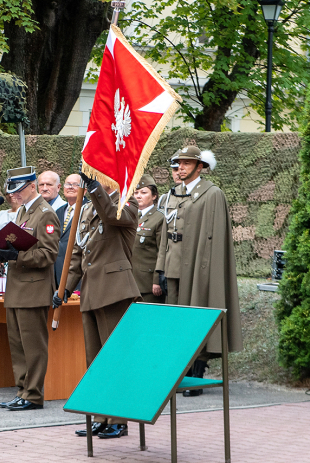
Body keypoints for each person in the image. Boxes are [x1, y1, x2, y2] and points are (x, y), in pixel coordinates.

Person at [56, 175, 141, 439]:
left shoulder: (126, 203)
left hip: (115, 291)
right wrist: (65, 289)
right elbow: (80, 252)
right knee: (95, 360)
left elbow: (112, 217)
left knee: (115, 357)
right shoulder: (88, 207)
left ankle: (119, 419)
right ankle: (102, 416)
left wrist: (94, 189)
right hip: (92, 292)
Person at [165, 145, 243, 393]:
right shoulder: (175, 193)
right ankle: (181, 371)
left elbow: (214, 237)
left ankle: (197, 372)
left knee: (198, 312)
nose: (181, 167)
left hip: (200, 267)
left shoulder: (212, 194)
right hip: (176, 266)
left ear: (201, 167)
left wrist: (205, 270)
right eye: (179, 163)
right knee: (177, 320)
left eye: (187, 163)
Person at [0, 166, 60, 411]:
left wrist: (16, 257)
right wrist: (1, 250)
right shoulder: (24, 212)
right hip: (17, 287)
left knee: (33, 346)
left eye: (19, 189)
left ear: (32, 186)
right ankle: (22, 390)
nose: (14, 195)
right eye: (12, 190)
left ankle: (33, 394)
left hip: (33, 289)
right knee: (18, 344)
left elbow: (49, 254)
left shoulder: (45, 213)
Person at [133, 174, 167, 303]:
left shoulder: (159, 218)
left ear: (154, 196)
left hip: (147, 283)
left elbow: (161, 251)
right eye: (136, 192)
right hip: (129, 282)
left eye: (143, 192)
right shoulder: (130, 216)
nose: (138, 196)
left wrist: (157, 280)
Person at [54, 173, 84, 286]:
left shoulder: (89, 210)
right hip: (57, 272)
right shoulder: (59, 211)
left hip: (78, 273)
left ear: (84, 190)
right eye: (68, 184)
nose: (70, 187)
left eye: (76, 184)